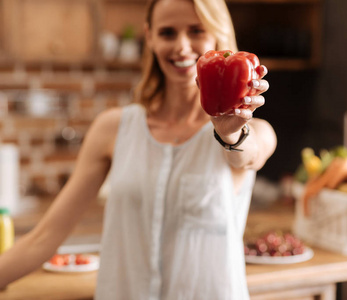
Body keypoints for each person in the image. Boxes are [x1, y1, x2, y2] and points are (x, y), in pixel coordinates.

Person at [0, 0, 277, 298]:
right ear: (150, 37)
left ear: (217, 34)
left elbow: (248, 155)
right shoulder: (112, 128)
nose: (182, 46)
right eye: (168, 33)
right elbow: (44, 237)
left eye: (196, 31)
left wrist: (230, 133)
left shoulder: (252, 131)